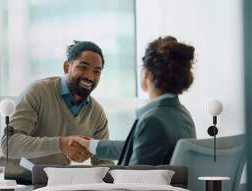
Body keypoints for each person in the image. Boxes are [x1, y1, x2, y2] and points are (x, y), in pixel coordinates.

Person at [0, 41, 111, 180]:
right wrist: (61, 144)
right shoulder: (38, 92)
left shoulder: (97, 113)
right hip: (7, 182)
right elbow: (9, 144)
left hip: (47, 185)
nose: (90, 77)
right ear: (67, 66)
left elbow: (104, 164)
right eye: (83, 67)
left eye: (97, 71)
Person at [79, 36, 196, 165]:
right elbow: (143, 146)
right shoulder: (183, 115)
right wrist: (92, 145)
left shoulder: (152, 121)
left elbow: (135, 179)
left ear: (146, 73)